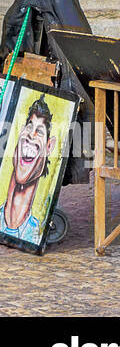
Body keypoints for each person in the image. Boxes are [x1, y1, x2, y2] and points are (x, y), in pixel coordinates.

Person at [0, 98, 55, 241]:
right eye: (29, 127)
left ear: (49, 146)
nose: (31, 135)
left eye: (40, 131)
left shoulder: (34, 234)